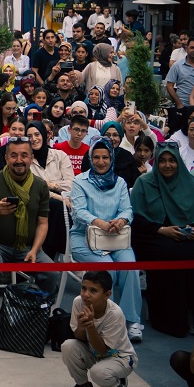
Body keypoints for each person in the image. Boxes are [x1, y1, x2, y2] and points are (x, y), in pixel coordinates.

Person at [0, 137, 58, 349]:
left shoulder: (39, 186)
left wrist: (36, 250)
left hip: (27, 246)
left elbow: (42, 223)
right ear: (6, 158)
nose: (19, 160)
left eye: (24, 155)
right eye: (14, 155)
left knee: (50, 271)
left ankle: (36, 318)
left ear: (31, 158)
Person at [129, 142, 194, 337]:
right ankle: (171, 321)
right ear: (156, 162)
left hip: (185, 235)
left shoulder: (187, 182)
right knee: (171, 254)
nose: (168, 165)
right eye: (163, 161)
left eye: (172, 161)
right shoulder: (145, 182)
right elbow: (136, 220)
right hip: (151, 235)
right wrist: (162, 230)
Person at [67, 139, 144, 343]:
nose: (101, 162)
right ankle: (101, 321)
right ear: (90, 159)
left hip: (115, 238)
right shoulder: (80, 181)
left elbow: (127, 209)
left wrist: (121, 220)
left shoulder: (119, 182)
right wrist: (99, 223)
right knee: (106, 269)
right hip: (84, 238)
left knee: (130, 266)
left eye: (105, 157)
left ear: (112, 158)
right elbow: (79, 211)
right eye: (96, 157)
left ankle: (131, 320)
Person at [57, 270, 136, 387]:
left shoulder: (115, 314)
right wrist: (82, 327)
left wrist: (90, 325)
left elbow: (102, 349)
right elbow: (80, 338)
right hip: (95, 353)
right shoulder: (78, 302)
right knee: (68, 346)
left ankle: (118, 386)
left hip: (120, 358)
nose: (86, 294)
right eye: (83, 288)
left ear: (107, 294)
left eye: (93, 290)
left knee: (98, 373)